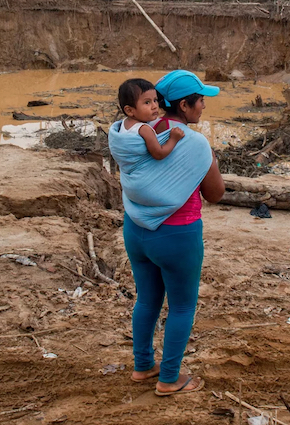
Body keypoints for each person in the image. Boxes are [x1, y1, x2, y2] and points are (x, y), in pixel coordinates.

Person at [108, 70, 225, 397]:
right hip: (177, 236)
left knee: (147, 299)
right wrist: (208, 158)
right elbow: (215, 194)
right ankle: (170, 378)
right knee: (183, 306)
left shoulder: (137, 132)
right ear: (185, 106)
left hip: (136, 229)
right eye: (200, 101)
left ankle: (143, 365)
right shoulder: (194, 142)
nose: (203, 106)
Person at [116, 78, 185, 160]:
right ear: (129, 110)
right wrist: (173, 139)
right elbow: (159, 154)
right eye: (147, 102)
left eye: (155, 100)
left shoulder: (124, 123)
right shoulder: (144, 129)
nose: (155, 106)